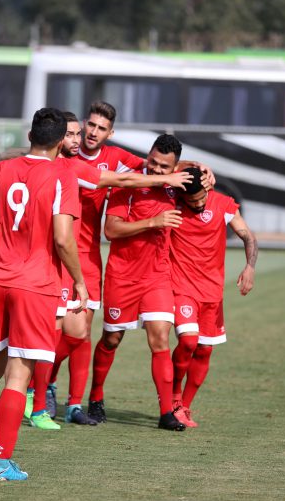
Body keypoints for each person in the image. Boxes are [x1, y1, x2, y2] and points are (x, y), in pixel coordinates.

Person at [25, 112, 193, 429]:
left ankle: (162, 411)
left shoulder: (122, 160)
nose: (87, 134)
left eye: (100, 128)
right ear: (64, 136)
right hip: (87, 265)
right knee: (86, 337)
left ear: (109, 132)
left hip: (127, 270)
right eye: (79, 130)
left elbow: (191, 185)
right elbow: (114, 222)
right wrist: (155, 213)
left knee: (153, 338)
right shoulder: (74, 167)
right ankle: (45, 388)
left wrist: (201, 171)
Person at [0, 108, 85, 481]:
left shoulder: (3, 169)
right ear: (61, 142)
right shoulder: (63, 176)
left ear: (29, 135)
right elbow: (62, 238)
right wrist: (80, 281)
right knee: (17, 377)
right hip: (35, 286)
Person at [87, 134, 187, 431]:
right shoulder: (126, 185)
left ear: (174, 167)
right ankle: (95, 396)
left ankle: (166, 412)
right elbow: (111, 230)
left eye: (163, 166)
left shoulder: (175, 188)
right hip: (123, 275)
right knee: (111, 339)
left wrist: (205, 177)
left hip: (157, 276)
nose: (156, 170)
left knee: (160, 340)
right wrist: (152, 223)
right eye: (153, 162)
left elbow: (200, 193)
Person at [170, 167, 257, 427]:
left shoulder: (223, 204)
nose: (197, 205)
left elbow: (247, 236)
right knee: (188, 341)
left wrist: (250, 266)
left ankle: (185, 407)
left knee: (205, 349)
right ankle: (173, 398)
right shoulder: (172, 202)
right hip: (181, 286)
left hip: (211, 291)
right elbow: (153, 167)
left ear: (208, 189)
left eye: (200, 200)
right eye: (191, 202)